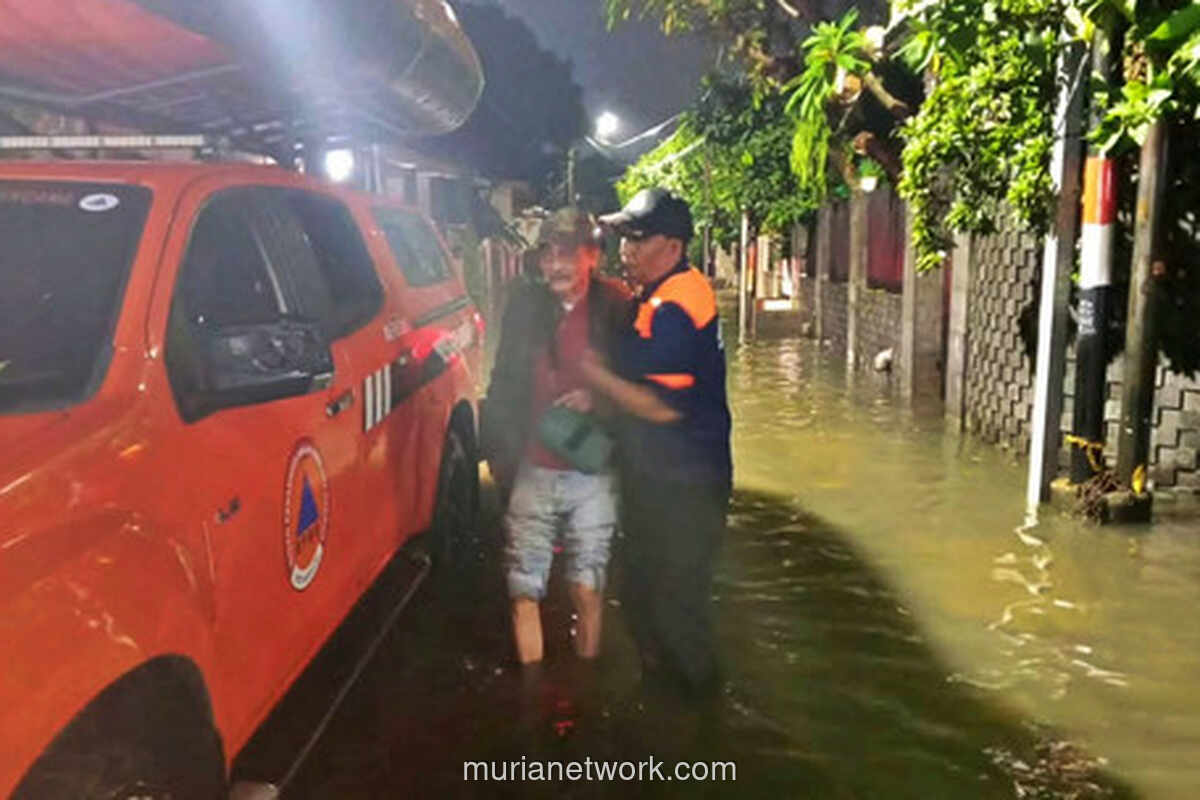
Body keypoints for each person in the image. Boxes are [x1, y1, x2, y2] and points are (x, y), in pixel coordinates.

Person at [583, 187, 733, 699]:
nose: (624, 250)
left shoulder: (675, 305)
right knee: (647, 596)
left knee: (675, 612)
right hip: (665, 479)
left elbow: (660, 406)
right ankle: (670, 714)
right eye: (622, 238)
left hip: (683, 486)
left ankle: (699, 737)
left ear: (671, 246)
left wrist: (594, 378)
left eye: (636, 239)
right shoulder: (662, 292)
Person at [480, 207, 630, 664]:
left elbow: (639, 387)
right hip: (533, 466)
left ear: (592, 256)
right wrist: (500, 461)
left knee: (587, 586)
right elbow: (503, 381)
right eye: (547, 254)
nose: (555, 265)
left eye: (566, 253)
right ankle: (533, 693)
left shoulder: (619, 307)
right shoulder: (524, 305)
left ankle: (585, 685)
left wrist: (596, 398)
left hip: (594, 471)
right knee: (524, 588)